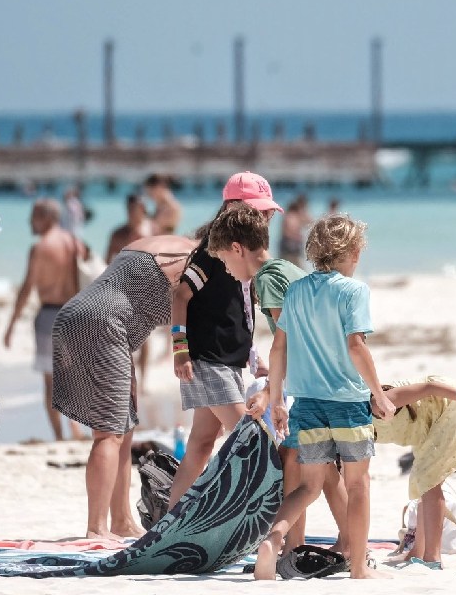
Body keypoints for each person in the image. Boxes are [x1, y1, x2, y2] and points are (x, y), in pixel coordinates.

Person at [254, 214, 397, 581]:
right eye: (359, 250)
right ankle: (360, 568)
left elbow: (278, 348)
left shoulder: (297, 290)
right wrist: (378, 394)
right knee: (357, 484)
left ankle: (273, 540)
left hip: (307, 403)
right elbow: (356, 347)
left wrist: (276, 401)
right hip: (348, 404)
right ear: (351, 250)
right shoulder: (354, 291)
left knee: (307, 486)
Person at [208, 205, 350, 557]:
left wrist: (272, 392)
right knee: (319, 466)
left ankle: (298, 545)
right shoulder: (283, 269)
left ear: (238, 249)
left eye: (225, 260)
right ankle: (335, 542)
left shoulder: (268, 278)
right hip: (324, 377)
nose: (226, 268)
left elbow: (292, 339)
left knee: (299, 463)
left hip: (312, 382)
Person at [52, 231, 196, 539]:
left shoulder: (158, 242)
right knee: (109, 434)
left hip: (79, 315)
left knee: (125, 425)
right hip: (104, 324)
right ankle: (96, 529)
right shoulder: (195, 263)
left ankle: (120, 519)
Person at [165, 172, 283, 515]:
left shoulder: (241, 250)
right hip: (208, 359)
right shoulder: (211, 253)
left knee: (201, 444)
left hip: (229, 361)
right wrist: (180, 349)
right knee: (248, 442)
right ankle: (255, 521)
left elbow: (239, 311)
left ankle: (171, 521)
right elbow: (180, 296)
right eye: (260, 210)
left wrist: (252, 355)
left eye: (267, 212)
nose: (267, 217)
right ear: (234, 207)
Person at [372, 377, 456, 570]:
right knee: (424, 481)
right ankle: (418, 551)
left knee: (428, 479)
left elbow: (430, 388)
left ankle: (432, 557)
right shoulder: (348, 427)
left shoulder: (377, 401)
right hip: (431, 423)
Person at [3, 199, 86, 441]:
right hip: (75, 315)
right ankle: (77, 429)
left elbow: (27, 288)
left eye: (35, 216)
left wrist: (12, 324)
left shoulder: (40, 248)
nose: (30, 221)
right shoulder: (75, 244)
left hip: (49, 316)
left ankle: (59, 435)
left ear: (48, 218)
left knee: (51, 382)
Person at [106, 193, 156, 388]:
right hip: (122, 291)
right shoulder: (118, 234)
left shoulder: (151, 232)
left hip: (146, 290)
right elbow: (106, 262)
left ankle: (143, 380)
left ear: (142, 210)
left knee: (145, 338)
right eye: (130, 209)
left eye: (136, 209)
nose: (133, 213)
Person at [279, 193, 313, 267]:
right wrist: (297, 236)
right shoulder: (292, 215)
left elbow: (310, 222)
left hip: (290, 247)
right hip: (290, 247)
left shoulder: (295, 215)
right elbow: (288, 231)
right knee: (296, 269)